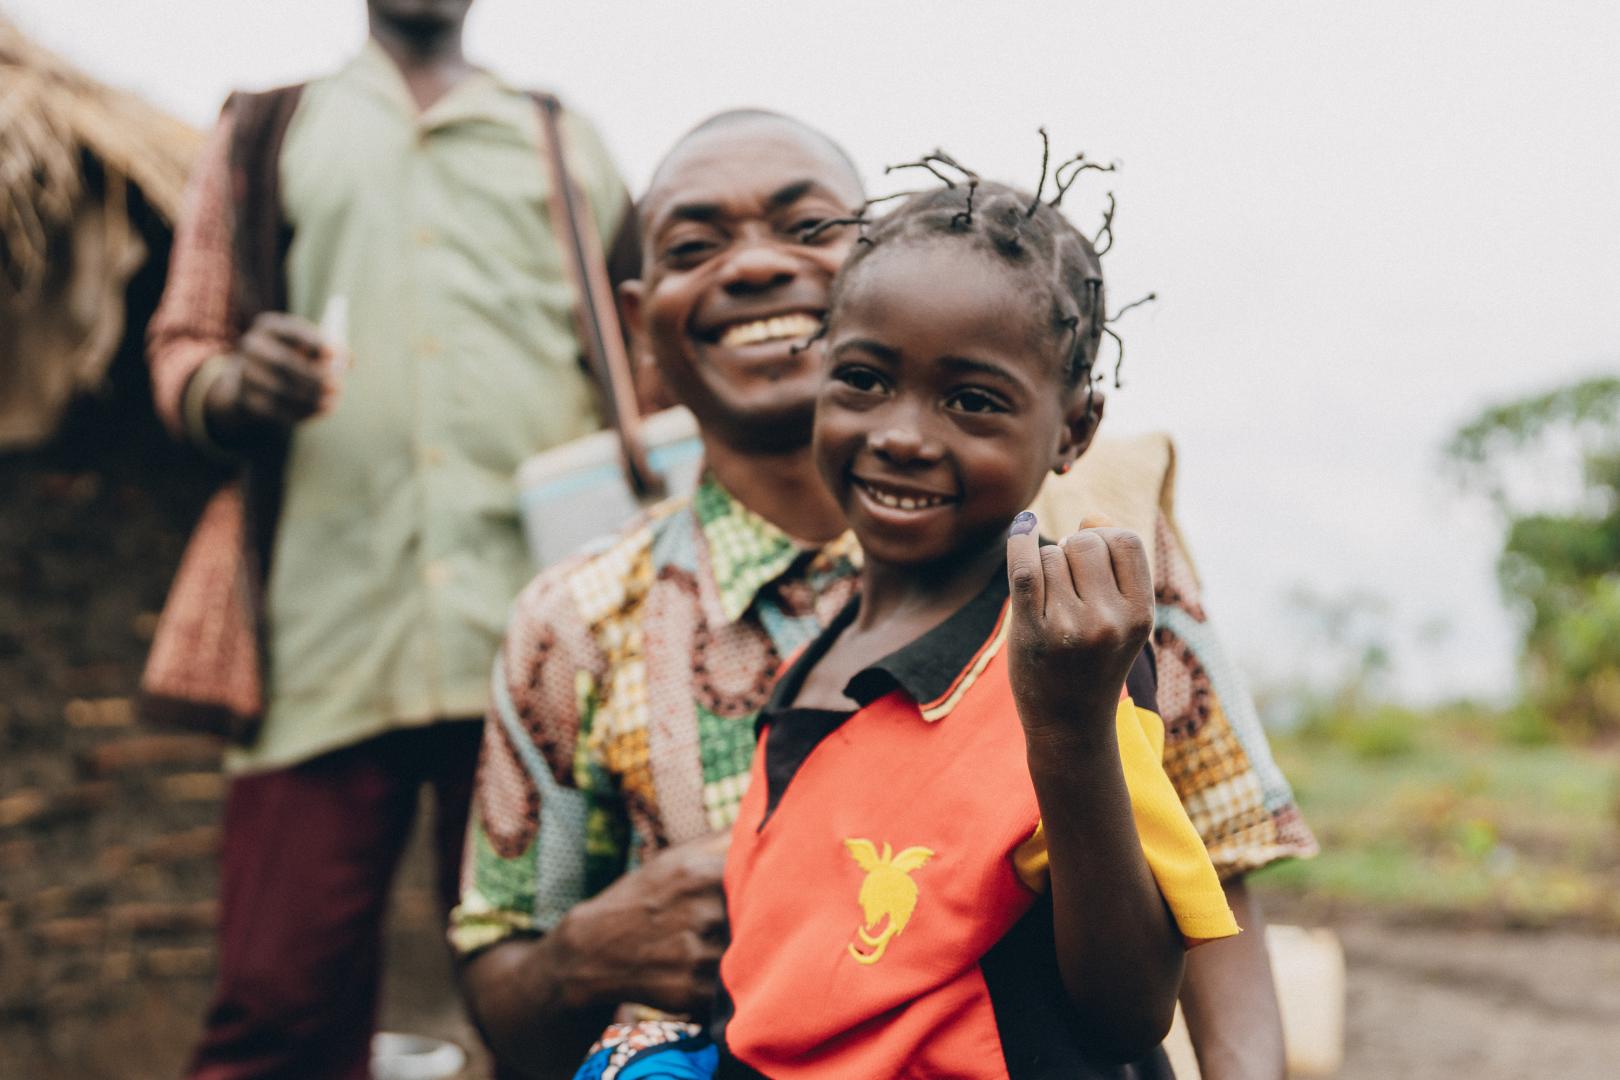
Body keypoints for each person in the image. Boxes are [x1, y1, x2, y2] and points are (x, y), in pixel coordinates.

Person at [454, 113, 1315, 1080]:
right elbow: (499, 977)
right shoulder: (576, 618)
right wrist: (584, 957)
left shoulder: (1086, 567)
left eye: (807, 227)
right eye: (696, 246)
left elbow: (1205, 889)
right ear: (638, 318)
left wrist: (1068, 732)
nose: (753, 267)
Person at [145, 1, 630, 1075]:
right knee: (275, 1008)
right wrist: (235, 384)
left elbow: (637, 362)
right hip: (322, 636)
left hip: (539, 652)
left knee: (565, 996)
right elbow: (185, 345)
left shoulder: (563, 138)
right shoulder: (267, 131)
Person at [707, 174, 1238, 1078]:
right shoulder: (814, 661)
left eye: (973, 401)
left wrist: (1067, 730)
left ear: (1074, 431)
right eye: (865, 380)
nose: (904, 435)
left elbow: (1129, 1011)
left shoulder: (1061, 658)